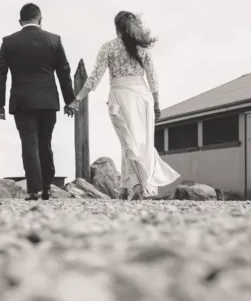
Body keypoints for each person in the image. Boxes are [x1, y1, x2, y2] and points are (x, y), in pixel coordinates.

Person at [64, 11, 179, 200]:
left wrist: (77, 99)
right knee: (139, 143)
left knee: (128, 143)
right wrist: (157, 103)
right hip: (143, 97)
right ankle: (128, 187)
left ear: (117, 28)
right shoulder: (143, 50)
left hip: (121, 96)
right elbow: (153, 78)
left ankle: (137, 186)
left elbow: (94, 77)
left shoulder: (108, 47)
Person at [0, 3, 75, 201]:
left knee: (29, 144)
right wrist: (69, 100)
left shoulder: (9, 42)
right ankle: (47, 187)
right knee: (45, 143)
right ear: (40, 19)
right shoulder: (54, 40)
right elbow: (64, 71)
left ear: (20, 21)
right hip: (48, 102)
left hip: (22, 102)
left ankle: (33, 190)